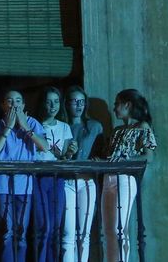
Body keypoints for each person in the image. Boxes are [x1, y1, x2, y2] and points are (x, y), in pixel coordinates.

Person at [0, 87, 50, 262]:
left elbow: (45, 147)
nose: (14, 105)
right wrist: (8, 127)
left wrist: (26, 127)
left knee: (21, 232)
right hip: (1, 184)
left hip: (24, 184)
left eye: (18, 101)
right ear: (3, 105)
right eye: (9, 101)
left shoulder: (32, 122)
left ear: (23, 105)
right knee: (7, 232)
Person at [101, 89, 156, 262]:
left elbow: (149, 157)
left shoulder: (142, 127)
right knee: (108, 229)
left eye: (117, 104)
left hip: (125, 179)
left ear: (128, 105)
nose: (114, 108)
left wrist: (127, 160)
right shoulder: (117, 130)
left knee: (119, 228)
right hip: (108, 178)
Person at [59, 86, 103, 262]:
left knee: (84, 233)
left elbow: (101, 152)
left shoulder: (94, 126)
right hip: (67, 181)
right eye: (74, 101)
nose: (78, 105)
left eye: (82, 102)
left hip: (87, 181)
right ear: (66, 103)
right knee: (68, 232)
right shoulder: (62, 126)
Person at [32, 87, 74, 261]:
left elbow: (63, 156)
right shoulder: (34, 124)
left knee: (56, 226)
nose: (52, 106)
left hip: (57, 177)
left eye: (56, 102)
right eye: (49, 102)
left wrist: (69, 153)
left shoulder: (64, 127)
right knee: (43, 226)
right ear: (42, 103)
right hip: (37, 176)